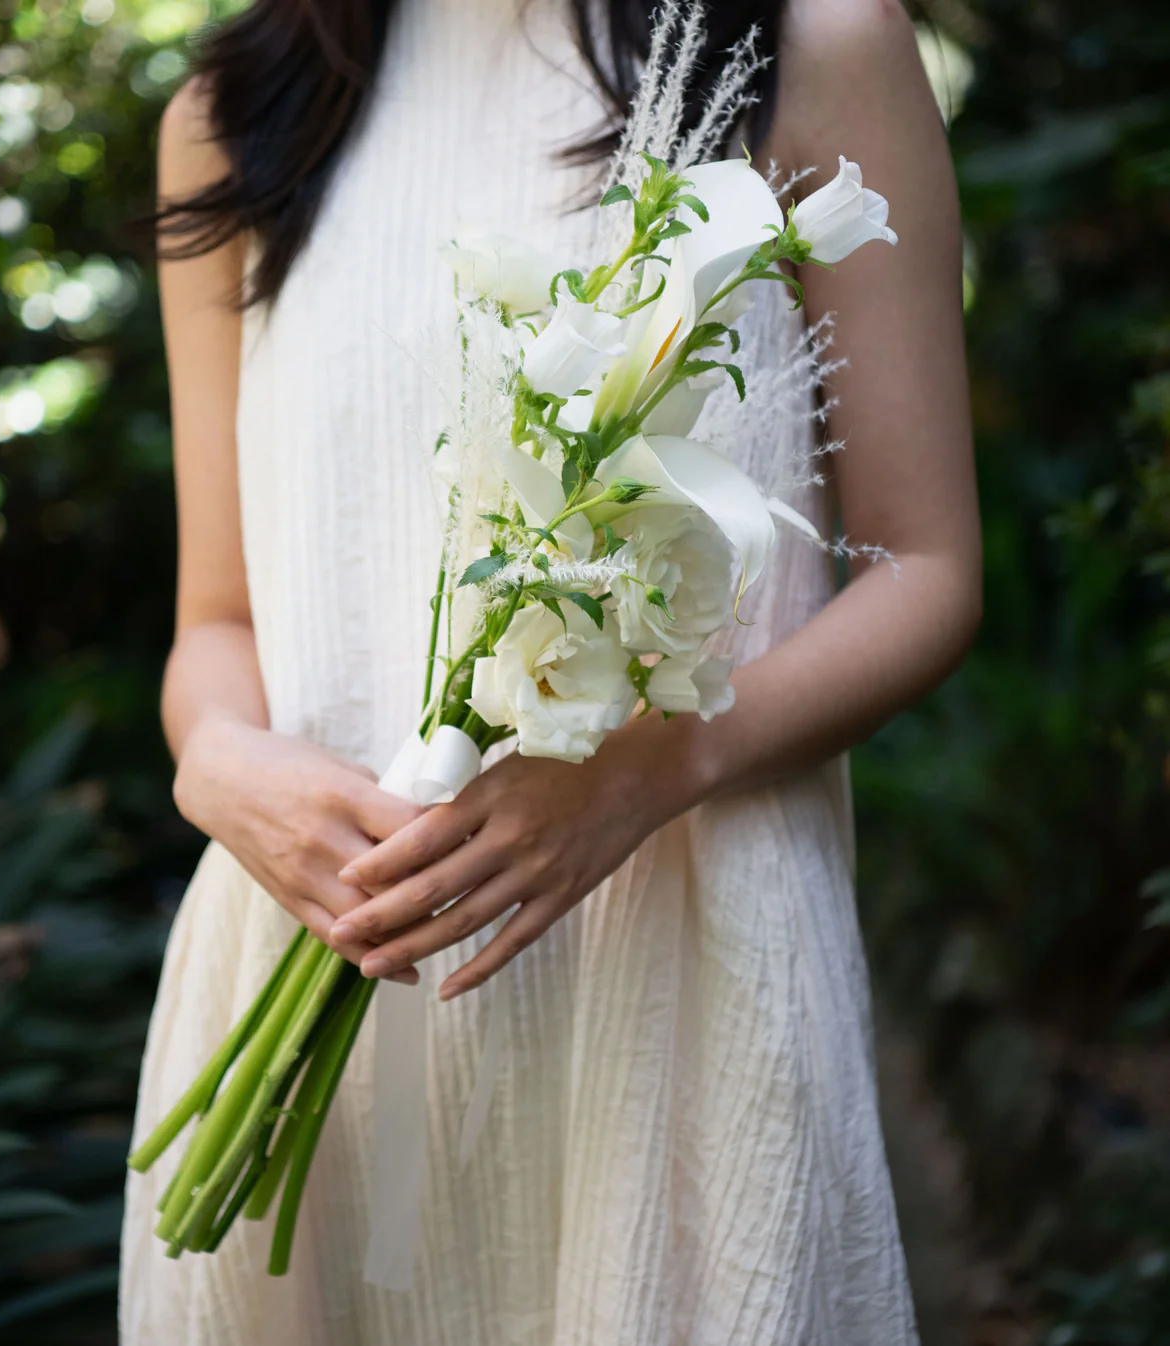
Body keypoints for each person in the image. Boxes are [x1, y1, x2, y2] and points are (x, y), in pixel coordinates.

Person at [121, 0, 980, 1340]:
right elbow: (218, 618)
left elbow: (925, 570)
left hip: (680, 978)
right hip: (314, 957)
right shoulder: (235, 113)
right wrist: (220, 764)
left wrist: (656, 762)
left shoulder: (804, 48)